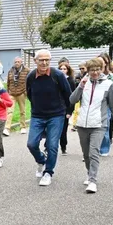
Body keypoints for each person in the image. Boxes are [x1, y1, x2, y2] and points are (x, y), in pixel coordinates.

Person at [70, 59, 113, 193]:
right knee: (86, 154)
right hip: (82, 124)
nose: (95, 72)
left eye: (98, 69)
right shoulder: (84, 83)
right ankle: (90, 174)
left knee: (94, 152)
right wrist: (80, 86)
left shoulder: (108, 84)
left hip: (99, 124)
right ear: (88, 71)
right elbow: (72, 100)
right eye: (92, 70)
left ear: (102, 69)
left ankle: (93, 181)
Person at [25, 49, 72, 187]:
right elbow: (30, 94)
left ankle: (48, 172)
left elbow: (68, 94)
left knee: (52, 145)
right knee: (31, 144)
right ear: (35, 61)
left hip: (56, 115)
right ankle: (41, 160)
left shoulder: (58, 75)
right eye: (41, 60)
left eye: (47, 60)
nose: (44, 63)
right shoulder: (31, 76)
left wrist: (68, 111)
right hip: (37, 115)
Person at [98, 53, 113, 156]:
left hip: (107, 104)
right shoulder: (91, 75)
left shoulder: (111, 77)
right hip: (94, 104)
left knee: (105, 126)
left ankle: (104, 148)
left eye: (103, 62)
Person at [57, 59, 78, 154]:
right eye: (61, 69)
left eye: (64, 69)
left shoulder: (71, 81)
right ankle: (49, 146)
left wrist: (70, 111)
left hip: (65, 108)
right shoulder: (55, 79)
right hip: (55, 107)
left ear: (68, 70)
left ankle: (63, 146)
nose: (62, 70)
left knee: (63, 129)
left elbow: (72, 97)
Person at [5, 56, 30, 135]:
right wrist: (7, 92)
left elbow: (30, 81)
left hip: (21, 93)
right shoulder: (10, 71)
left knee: (22, 111)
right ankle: (7, 128)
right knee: (9, 111)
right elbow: (8, 82)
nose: (17, 63)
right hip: (11, 93)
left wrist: (26, 91)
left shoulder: (26, 70)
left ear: (21, 62)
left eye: (18, 62)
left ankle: (23, 127)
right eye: (15, 62)